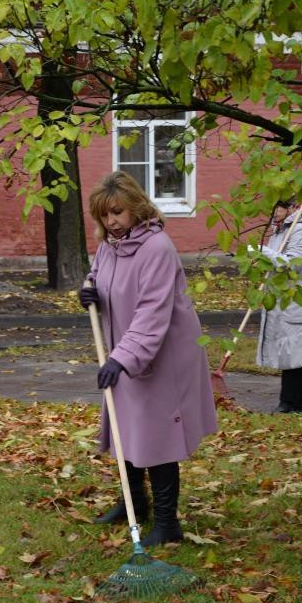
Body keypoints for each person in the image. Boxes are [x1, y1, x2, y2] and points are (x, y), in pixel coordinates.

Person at [78, 171, 218, 548]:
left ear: (136, 207)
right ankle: (134, 502)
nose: (111, 222)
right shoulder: (110, 245)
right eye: (104, 216)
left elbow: (152, 312)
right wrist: (90, 291)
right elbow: (99, 276)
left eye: (118, 213)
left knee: (157, 433)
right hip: (127, 350)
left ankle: (168, 522)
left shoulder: (156, 248)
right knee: (128, 428)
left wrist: (121, 359)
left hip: (163, 356)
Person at [256, 202, 302, 413]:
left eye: (278, 207)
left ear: (292, 208)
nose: (274, 212)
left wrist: (263, 252)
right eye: (273, 207)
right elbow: (273, 262)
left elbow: (291, 264)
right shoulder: (279, 231)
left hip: (295, 299)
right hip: (281, 297)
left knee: (295, 350)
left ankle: (291, 403)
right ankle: (294, 401)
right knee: (291, 350)